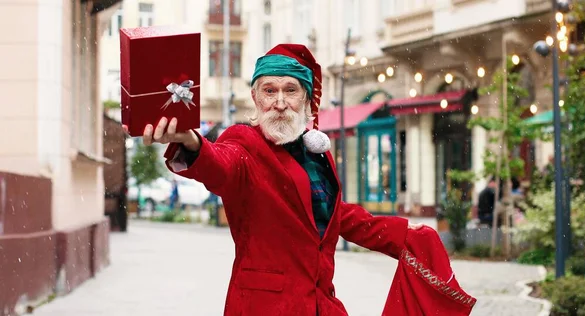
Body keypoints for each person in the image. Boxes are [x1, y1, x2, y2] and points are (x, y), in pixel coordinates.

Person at [135, 44, 472, 315]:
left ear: (307, 100)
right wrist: (193, 144)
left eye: (290, 90)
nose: (280, 102)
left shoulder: (318, 153)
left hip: (320, 305)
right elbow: (220, 165)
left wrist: (402, 236)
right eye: (269, 90)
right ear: (256, 98)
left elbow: (332, 216)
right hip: (265, 308)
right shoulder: (244, 142)